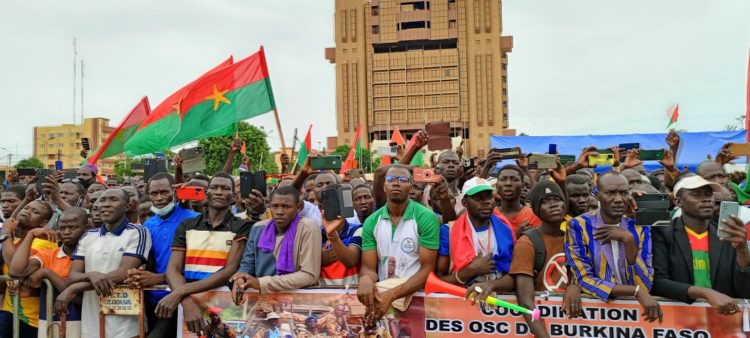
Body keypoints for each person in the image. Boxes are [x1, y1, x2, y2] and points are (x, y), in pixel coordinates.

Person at [158, 172, 250, 335]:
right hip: (184, 305)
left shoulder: (242, 226)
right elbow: (173, 270)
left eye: (225, 188)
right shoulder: (187, 225)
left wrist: (180, 292)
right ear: (206, 194)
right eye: (214, 187)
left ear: (234, 197)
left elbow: (229, 271)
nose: (219, 192)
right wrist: (187, 303)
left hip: (221, 306)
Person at [565, 171, 662, 322]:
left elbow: (645, 282)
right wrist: (635, 291)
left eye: (623, 193)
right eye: (610, 193)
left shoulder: (639, 227)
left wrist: (628, 240)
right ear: (596, 195)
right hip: (596, 315)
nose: (618, 199)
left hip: (635, 316)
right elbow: (584, 279)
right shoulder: (579, 225)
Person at [55, 189, 151, 338]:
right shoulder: (88, 235)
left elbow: (124, 272)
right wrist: (92, 275)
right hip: (92, 321)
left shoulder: (137, 232)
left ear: (127, 206)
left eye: (113, 200)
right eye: (102, 200)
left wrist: (74, 288)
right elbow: (73, 275)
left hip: (126, 322)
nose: (105, 204)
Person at [651, 176, 750, 314]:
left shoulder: (726, 235)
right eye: (696, 195)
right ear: (678, 202)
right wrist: (706, 293)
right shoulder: (663, 233)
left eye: (709, 195)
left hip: (723, 319)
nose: (706, 199)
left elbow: (744, 290)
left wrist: (742, 249)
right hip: (679, 318)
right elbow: (658, 283)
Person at [358, 165, 439, 326]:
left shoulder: (425, 217)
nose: (396, 183)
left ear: (411, 187)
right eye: (391, 179)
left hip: (415, 299)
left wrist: (392, 295)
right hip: (382, 299)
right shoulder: (372, 222)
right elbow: (368, 268)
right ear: (384, 187)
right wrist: (365, 279)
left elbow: (427, 270)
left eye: (403, 180)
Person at [125, 172, 198, 338]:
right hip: (154, 299)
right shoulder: (148, 225)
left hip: (184, 298)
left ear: (174, 192)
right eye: (153, 193)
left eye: (164, 192)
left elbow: (197, 266)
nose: (158, 198)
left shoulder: (194, 220)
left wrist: (159, 278)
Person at [506, 181, 583, 337]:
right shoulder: (527, 242)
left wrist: (575, 285)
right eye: (545, 202)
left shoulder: (577, 238)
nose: (553, 205)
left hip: (576, 325)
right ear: (536, 210)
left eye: (556, 199)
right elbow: (526, 301)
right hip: (544, 326)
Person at [9, 207, 89, 338]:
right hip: (50, 322)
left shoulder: (92, 256)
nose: (67, 232)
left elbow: (81, 299)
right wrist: (31, 235)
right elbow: (16, 271)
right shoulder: (50, 254)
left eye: (73, 227)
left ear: (86, 229)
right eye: (62, 228)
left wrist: (47, 274)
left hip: (85, 322)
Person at [230, 186, 322, 298]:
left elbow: (309, 275)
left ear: (298, 207)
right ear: (269, 207)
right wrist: (240, 278)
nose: (279, 212)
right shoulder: (258, 228)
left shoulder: (308, 228)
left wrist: (260, 283)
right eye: (275, 206)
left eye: (286, 206)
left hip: (298, 298)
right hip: (264, 298)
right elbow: (247, 265)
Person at [445, 177, 514, 287]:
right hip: (461, 298)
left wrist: (491, 285)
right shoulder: (448, 231)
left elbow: (514, 275)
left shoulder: (505, 228)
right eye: (478, 198)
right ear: (464, 203)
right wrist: (469, 271)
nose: (486, 202)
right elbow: (439, 279)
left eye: (489, 197)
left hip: (500, 297)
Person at [0, 200, 56, 338]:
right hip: (8, 311)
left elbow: (15, 266)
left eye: (35, 212)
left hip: (31, 319)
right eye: (26, 208)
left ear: (43, 223)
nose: (27, 211)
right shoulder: (15, 241)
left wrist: (5, 232)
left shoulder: (45, 241)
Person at [319, 185, 362, 286]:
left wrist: (333, 236)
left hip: (350, 294)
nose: (333, 207)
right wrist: (318, 258)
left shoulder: (358, 230)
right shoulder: (315, 233)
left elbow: (350, 261)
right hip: (321, 294)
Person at [495, 165, 541, 238]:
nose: (508, 183)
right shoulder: (490, 215)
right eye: (503, 179)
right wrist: (516, 237)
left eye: (514, 179)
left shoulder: (533, 215)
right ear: (496, 186)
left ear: (522, 186)